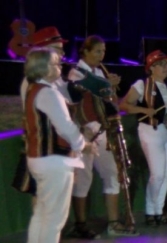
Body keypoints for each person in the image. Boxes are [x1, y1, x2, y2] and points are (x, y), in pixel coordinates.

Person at [67, 35, 136, 237]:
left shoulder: (99, 71)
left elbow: (110, 102)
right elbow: (80, 96)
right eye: (97, 51)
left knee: (112, 174)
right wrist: (105, 83)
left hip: (104, 131)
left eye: (103, 51)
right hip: (85, 132)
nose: (101, 55)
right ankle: (80, 224)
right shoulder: (75, 73)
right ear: (85, 52)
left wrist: (111, 88)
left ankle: (113, 223)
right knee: (83, 179)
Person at [23, 47, 94, 243]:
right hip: (53, 160)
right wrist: (84, 145)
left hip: (39, 159)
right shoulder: (48, 93)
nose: (60, 66)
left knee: (42, 214)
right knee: (54, 219)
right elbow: (65, 127)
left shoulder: (34, 88)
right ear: (44, 68)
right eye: (56, 63)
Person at [119, 50, 167, 226]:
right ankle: (149, 211)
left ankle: (158, 212)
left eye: (166, 64)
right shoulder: (142, 85)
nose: (164, 67)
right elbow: (124, 105)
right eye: (160, 64)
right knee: (157, 174)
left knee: (166, 175)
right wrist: (145, 110)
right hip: (150, 130)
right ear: (150, 68)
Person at [18, 26, 70, 209]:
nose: (62, 53)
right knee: (42, 194)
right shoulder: (33, 82)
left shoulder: (55, 79)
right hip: (43, 144)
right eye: (57, 49)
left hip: (56, 143)